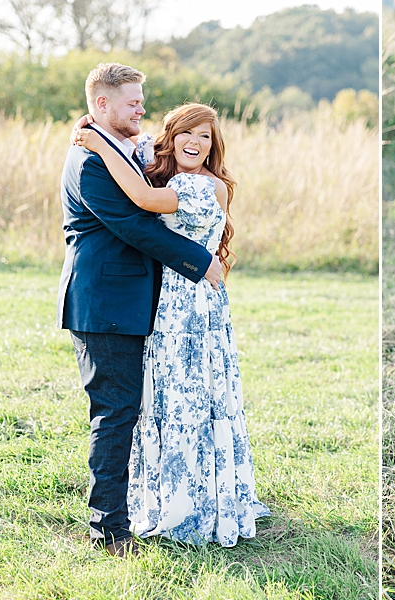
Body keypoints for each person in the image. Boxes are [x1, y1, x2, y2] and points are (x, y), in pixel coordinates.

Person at [73, 102, 270, 547]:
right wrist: (93, 126)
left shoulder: (203, 186)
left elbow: (142, 201)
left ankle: (193, 504)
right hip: (168, 300)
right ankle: (169, 492)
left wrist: (98, 147)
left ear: (214, 145)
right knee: (167, 398)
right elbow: (133, 141)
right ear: (172, 136)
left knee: (189, 399)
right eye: (187, 133)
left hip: (190, 305)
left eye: (205, 137)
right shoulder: (162, 164)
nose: (195, 143)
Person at [58, 63, 223, 556]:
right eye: (133, 101)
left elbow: (161, 146)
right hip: (105, 305)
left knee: (132, 409)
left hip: (136, 304)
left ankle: (150, 503)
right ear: (102, 105)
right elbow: (135, 226)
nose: (142, 109)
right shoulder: (89, 162)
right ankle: (107, 530)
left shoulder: (124, 149)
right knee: (116, 412)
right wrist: (201, 262)